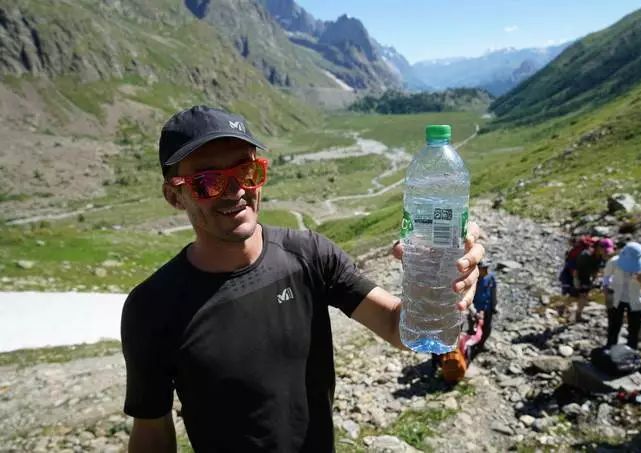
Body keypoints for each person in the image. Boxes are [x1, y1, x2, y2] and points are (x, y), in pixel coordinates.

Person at [121, 105, 485, 453]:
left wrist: (442, 283)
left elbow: (395, 326)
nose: (236, 191)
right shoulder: (152, 307)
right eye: (207, 182)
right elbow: (152, 432)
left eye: (247, 172)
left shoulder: (310, 255)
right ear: (174, 196)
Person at [603, 242, 641, 350]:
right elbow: (606, 277)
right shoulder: (614, 262)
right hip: (616, 298)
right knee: (614, 325)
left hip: (637, 300)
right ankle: (610, 347)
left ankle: (632, 350)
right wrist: (606, 289)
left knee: (634, 328)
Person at [562, 237, 613, 322]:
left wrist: (594, 279)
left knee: (583, 296)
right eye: (604, 250)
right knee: (574, 296)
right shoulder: (585, 255)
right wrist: (575, 280)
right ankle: (563, 307)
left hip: (586, 278)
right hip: (575, 276)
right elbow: (576, 269)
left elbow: (596, 269)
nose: (606, 252)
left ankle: (578, 315)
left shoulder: (600, 257)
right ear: (598, 247)